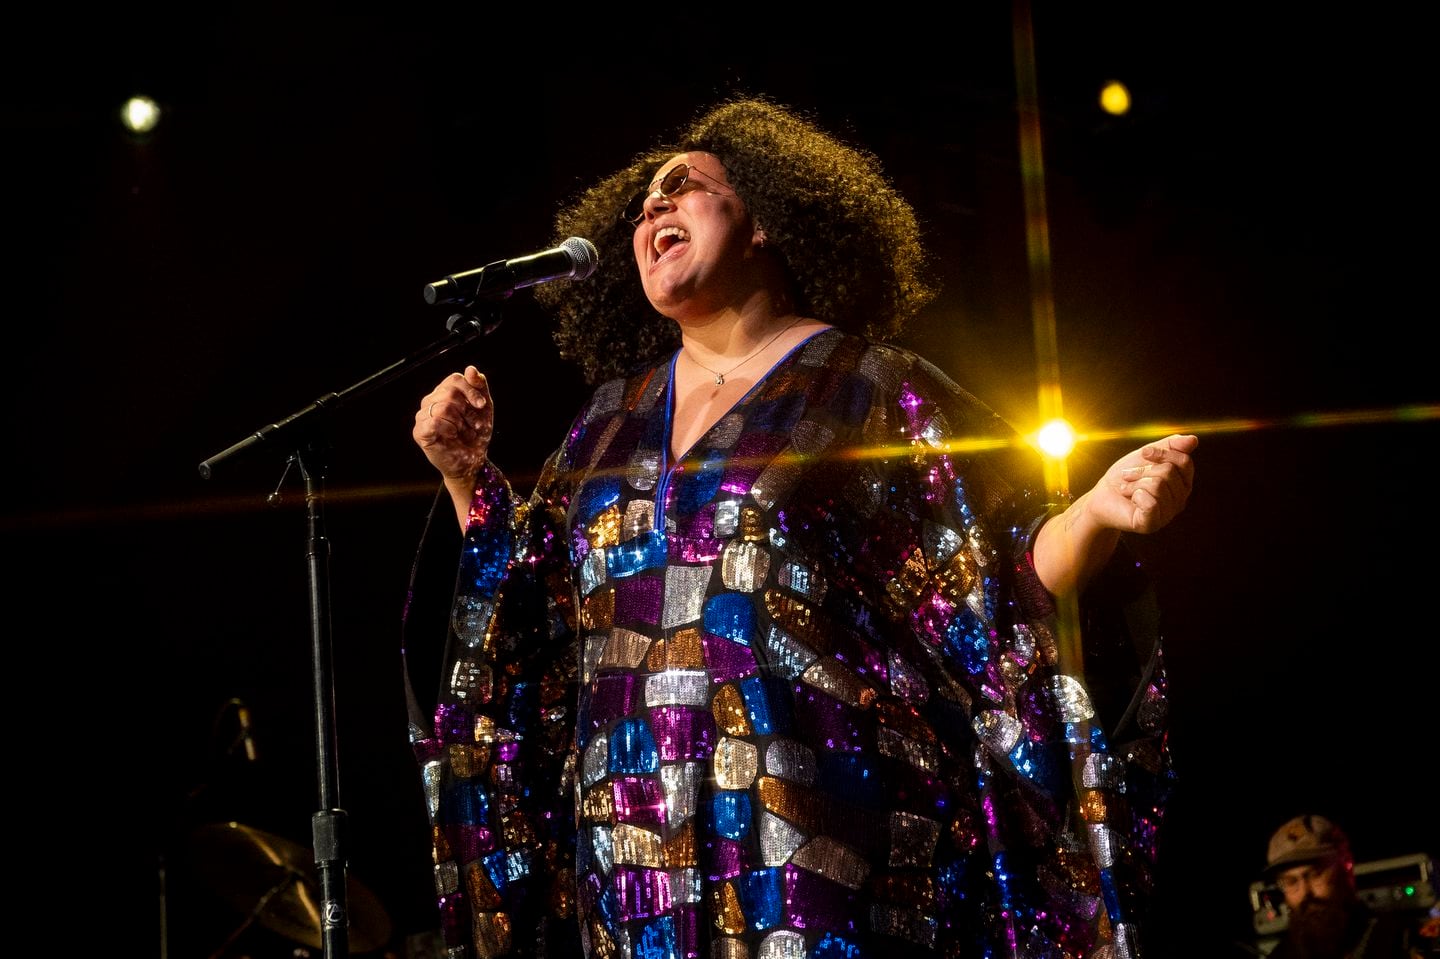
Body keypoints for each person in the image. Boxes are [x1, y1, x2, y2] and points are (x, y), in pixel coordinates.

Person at [401, 96, 1199, 959]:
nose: (652, 211)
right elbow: (530, 628)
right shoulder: (604, 423)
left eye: (683, 188)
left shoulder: (865, 386)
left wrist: (1096, 513)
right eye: (640, 208)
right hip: (635, 864)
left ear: (764, 222)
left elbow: (990, 571)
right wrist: (464, 475)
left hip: (814, 847)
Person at [1260, 814, 1430, 959]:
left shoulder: (1398, 940)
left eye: (1315, 874)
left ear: (1346, 866)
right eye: (1291, 882)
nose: (1306, 893)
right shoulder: (1280, 956)